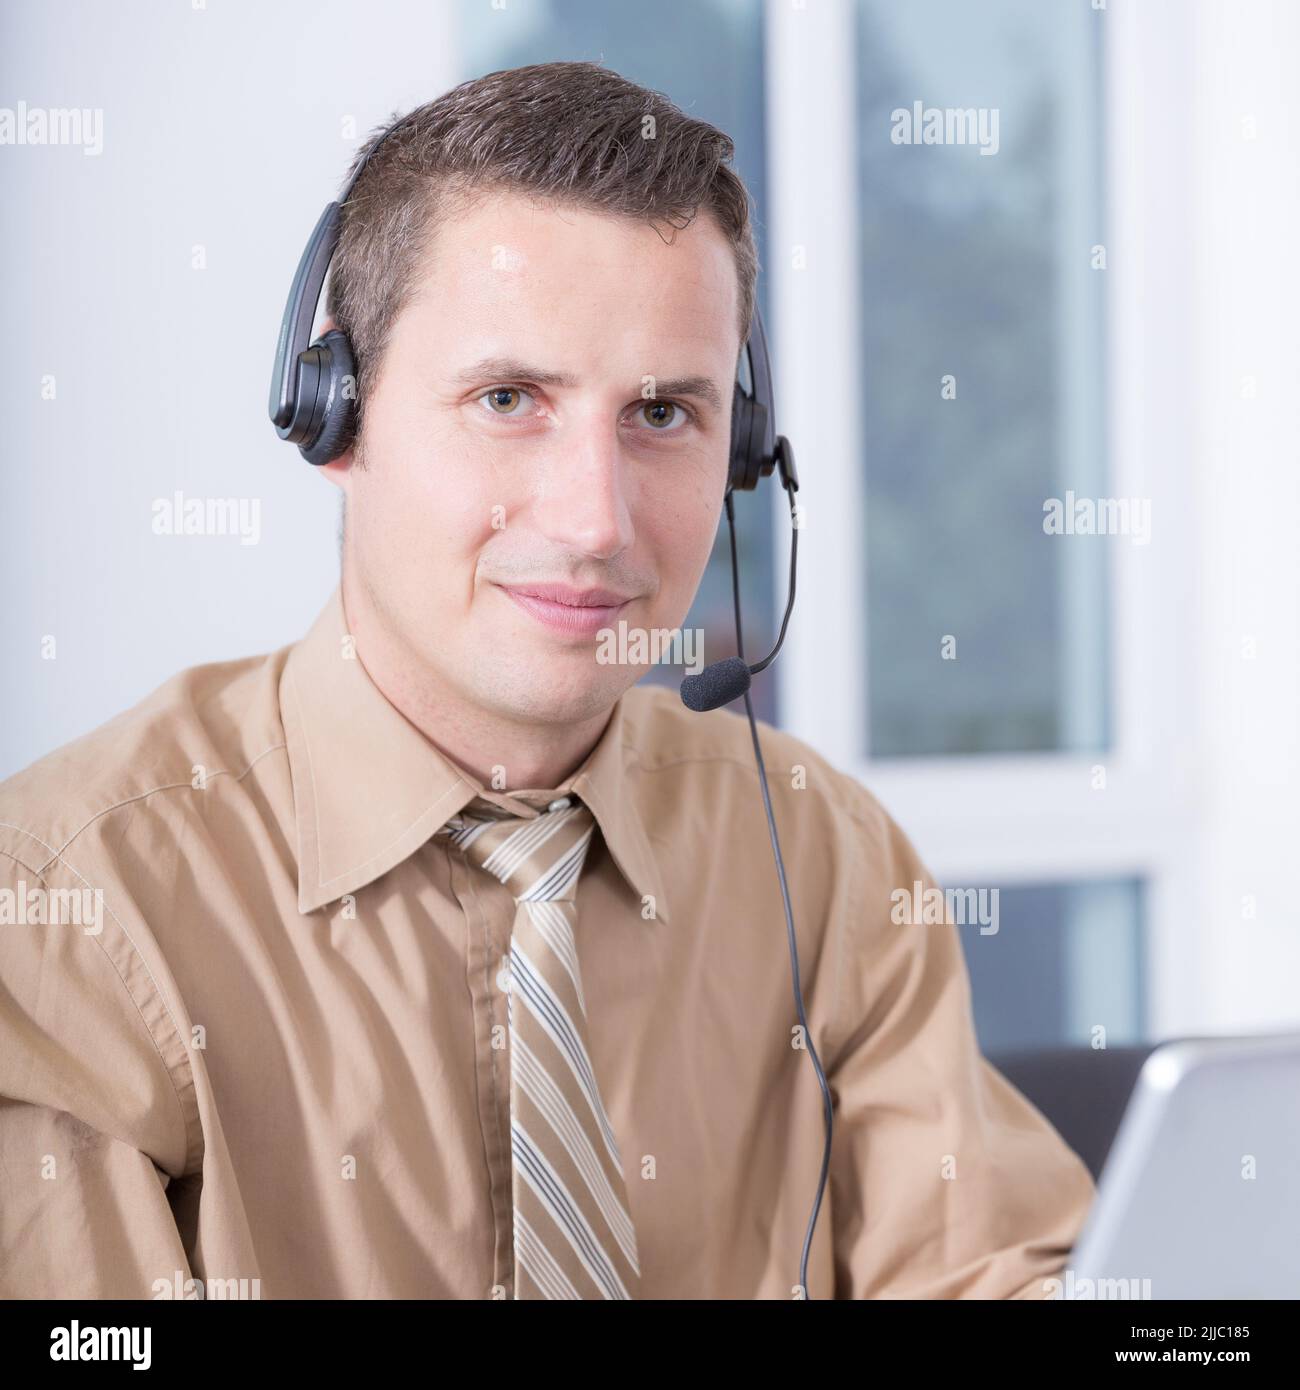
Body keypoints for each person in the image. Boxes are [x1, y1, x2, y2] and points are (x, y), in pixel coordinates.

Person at [0, 60, 1094, 1300]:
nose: (594, 521)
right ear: (333, 415)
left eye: (665, 414)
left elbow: (990, 1277)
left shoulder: (823, 854)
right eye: (510, 399)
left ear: (738, 452)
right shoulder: (66, 914)